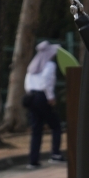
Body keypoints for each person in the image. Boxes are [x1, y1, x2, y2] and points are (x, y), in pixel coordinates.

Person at [22, 39, 67, 168]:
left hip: (31, 98)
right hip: (43, 97)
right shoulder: (49, 65)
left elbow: (27, 84)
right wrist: (51, 97)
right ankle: (55, 154)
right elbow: (47, 82)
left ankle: (33, 160)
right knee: (56, 126)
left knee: (36, 129)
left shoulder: (32, 66)